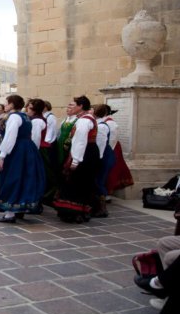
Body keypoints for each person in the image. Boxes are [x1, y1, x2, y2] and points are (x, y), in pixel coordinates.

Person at [0, 94, 45, 222]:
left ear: (12, 104)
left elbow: (10, 136)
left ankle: (10, 214)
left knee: (11, 178)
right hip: (27, 148)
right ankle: (19, 209)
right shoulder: (25, 116)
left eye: (6, 103)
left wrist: (2, 155)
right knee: (22, 178)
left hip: (17, 150)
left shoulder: (14, 117)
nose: (5, 105)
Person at [53, 95, 101, 223]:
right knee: (84, 182)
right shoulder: (86, 118)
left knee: (75, 182)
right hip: (89, 152)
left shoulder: (84, 121)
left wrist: (75, 161)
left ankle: (74, 212)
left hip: (84, 153)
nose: (70, 108)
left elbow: (80, 142)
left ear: (80, 107)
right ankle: (82, 211)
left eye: (72, 105)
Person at [104, 105, 134, 198]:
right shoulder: (104, 121)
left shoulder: (110, 123)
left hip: (111, 147)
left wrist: (107, 151)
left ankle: (107, 193)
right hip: (107, 147)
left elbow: (112, 139)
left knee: (111, 170)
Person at [93, 104, 114, 217]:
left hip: (102, 156)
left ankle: (102, 208)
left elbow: (100, 144)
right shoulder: (97, 124)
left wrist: (98, 159)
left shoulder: (101, 126)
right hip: (101, 155)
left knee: (99, 181)